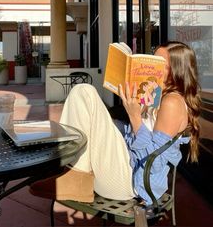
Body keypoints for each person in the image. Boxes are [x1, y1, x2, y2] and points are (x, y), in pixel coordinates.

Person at [30, 41, 200, 205]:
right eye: (153, 60)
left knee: (85, 92)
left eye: (161, 65)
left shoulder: (172, 102)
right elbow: (132, 137)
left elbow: (152, 164)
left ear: (177, 71)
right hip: (121, 168)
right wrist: (136, 111)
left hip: (130, 183)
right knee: (86, 102)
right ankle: (72, 173)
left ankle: (74, 177)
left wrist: (135, 117)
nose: (153, 69)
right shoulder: (158, 96)